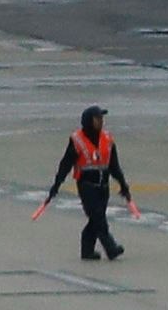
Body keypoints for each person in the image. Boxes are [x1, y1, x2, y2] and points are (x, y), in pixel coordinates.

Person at [43, 105, 135, 261]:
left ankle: (87, 251)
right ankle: (110, 248)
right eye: (97, 118)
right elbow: (65, 164)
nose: (101, 121)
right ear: (88, 121)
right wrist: (56, 185)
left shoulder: (107, 139)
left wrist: (123, 185)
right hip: (86, 186)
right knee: (98, 218)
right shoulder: (77, 140)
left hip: (103, 186)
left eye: (101, 118)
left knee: (95, 219)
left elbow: (114, 166)